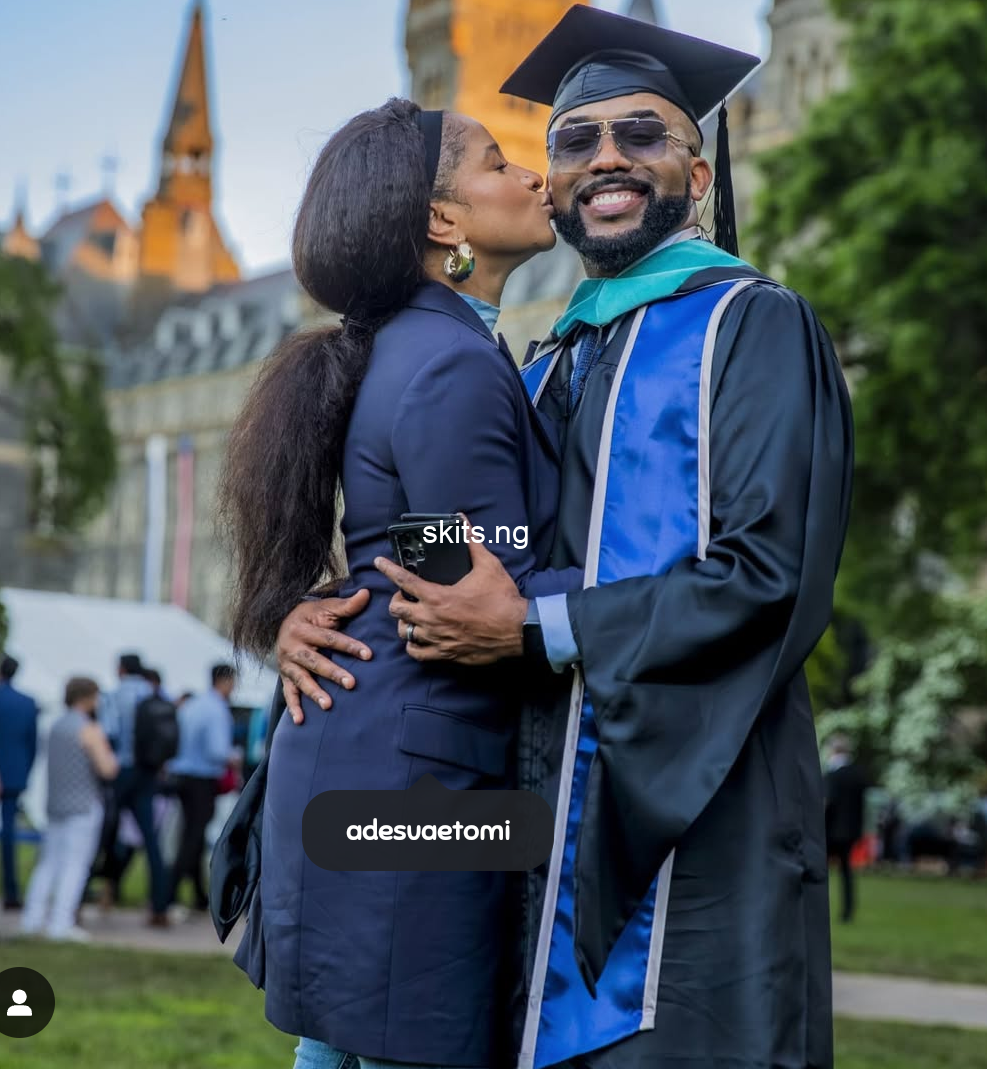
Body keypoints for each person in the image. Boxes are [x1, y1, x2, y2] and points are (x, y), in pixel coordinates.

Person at [274, 11, 854, 1069]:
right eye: (574, 139)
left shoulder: (753, 326)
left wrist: (536, 624)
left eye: (640, 134)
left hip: (696, 810)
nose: (605, 157)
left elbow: (769, 575)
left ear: (696, 171)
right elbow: (444, 532)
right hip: (537, 817)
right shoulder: (542, 362)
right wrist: (320, 604)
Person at [219, 98, 579, 1069]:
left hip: (367, 753)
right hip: (420, 773)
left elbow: (422, 546)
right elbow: (476, 589)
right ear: (441, 219)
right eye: (498, 162)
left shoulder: (412, 345)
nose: (533, 175)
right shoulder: (451, 361)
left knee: (338, 1046)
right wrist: (670, 578)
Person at [20, 677, 118, 942]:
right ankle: (61, 923)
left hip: (56, 804)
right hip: (83, 804)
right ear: (88, 698)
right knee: (75, 865)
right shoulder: (89, 729)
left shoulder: (56, 726)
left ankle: (32, 918)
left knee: (48, 863)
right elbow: (107, 768)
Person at [98, 652, 170, 925]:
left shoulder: (114, 695)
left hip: (122, 770)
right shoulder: (155, 694)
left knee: (105, 833)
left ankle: (86, 897)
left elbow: (109, 732)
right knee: (151, 840)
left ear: (121, 669)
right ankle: (160, 905)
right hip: (149, 771)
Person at [168, 663, 235, 910]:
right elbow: (217, 751)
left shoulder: (193, 704)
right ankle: (167, 894)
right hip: (202, 779)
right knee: (193, 838)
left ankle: (198, 896)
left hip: (182, 775)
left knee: (191, 835)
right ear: (226, 681)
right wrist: (234, 757)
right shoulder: (217, 709)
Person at [0, 655, 39, 909]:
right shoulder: (27, 703)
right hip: (14, 774)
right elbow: (33, 744)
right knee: (8, 834)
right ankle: (10, 892)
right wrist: (25, 773)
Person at [824, 733, 870, 922]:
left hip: (830, 831)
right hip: (851, 831)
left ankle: (818, 907)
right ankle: (847, 911)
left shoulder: (832, 775)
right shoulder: (858, 775)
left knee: (819, 870)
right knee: (846, 872)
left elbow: (828, 803)